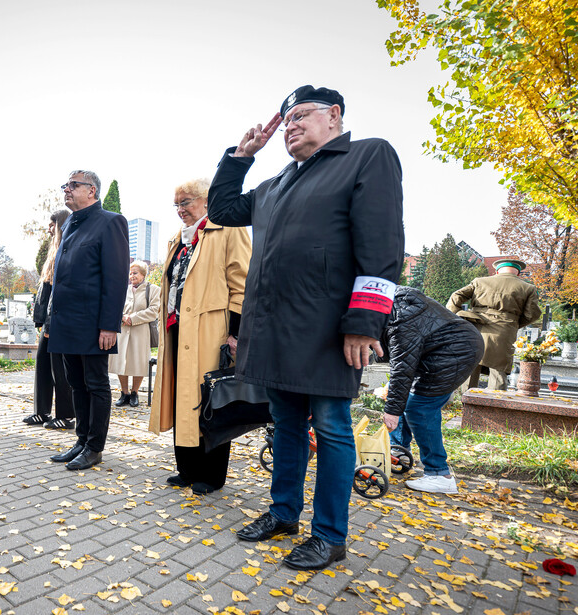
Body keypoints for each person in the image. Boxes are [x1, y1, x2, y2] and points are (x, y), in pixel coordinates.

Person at [208, 85, 405, 570]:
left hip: (326, 328)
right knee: (287, 424)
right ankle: (283, 514)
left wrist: (364, 323)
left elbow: (382, 246)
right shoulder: (276, 183)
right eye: (285, 120)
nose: (290, 125)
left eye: (301, 115)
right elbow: (223, 210)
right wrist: (239, 157)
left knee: (332, 429)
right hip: (274, 328)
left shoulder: (366, 156)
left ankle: (329, 535)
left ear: (334, 115)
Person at [148, 178, 251, 495]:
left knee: (210, 401)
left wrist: (235, 333)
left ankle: (212, 474)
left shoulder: (228, 229)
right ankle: (187, 469)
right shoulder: (177, 239)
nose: (180, 210)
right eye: (176, 204)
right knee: (183, 399)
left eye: (186, 202)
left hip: (211, 330)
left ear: (207, 200)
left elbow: (243, 284)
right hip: (177, 329)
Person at [46, 170, 129, 471]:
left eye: (73, 185)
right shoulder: (69, 224)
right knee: (76, 383)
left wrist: (110, 324)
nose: (66, 190)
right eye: (65, 185)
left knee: (96, 384)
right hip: (67, 322)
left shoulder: (110, 222)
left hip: (94, 324)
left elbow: (116, 277)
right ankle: (81, 440)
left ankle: (95, 447)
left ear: (92, 190)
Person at [381, 287, 483, 495]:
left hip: (454, 351)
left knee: (420, 408)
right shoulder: (394, 304)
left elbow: (402, 367)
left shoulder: (401, 319)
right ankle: (398, 453)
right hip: (446, 347)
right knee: (408, 399)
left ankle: (439, 475)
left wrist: (391, 410)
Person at [447, 259, 541, 390]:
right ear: (518, 273)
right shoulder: (527, 288)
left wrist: (457, 317)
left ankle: (464, 404)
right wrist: (513, 324)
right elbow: (533, 314)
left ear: (497, 271)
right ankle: (494, 405)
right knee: (498, 370)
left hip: (475, 327)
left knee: (470, 367)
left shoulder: (479, 281)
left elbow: (456, 296)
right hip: (504, 331)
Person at [26, 210, 75, 429]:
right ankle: (42, 412)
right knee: (43, 365)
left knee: (60, 369)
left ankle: (66, 415)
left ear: (61, 225)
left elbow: (58, 291)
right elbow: (45, 290)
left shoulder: (66, 250)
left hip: (57, 320)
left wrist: (49, 322)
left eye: (52, 224)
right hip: (48, 319)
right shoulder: (53, 250)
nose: (49, 227)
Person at [110, 261, 160, 408]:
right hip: (123, 330)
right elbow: (114, 307)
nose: (132, 276)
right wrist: (123, 316)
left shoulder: (153, 290)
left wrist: (133, 318)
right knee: (121, 362)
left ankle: (134, 393)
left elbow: (153, 311)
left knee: (138, 362)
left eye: (135, 273)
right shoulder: (122, 290)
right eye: (130, 273)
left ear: (143, 274)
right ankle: (124, 393)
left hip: (140, 331)